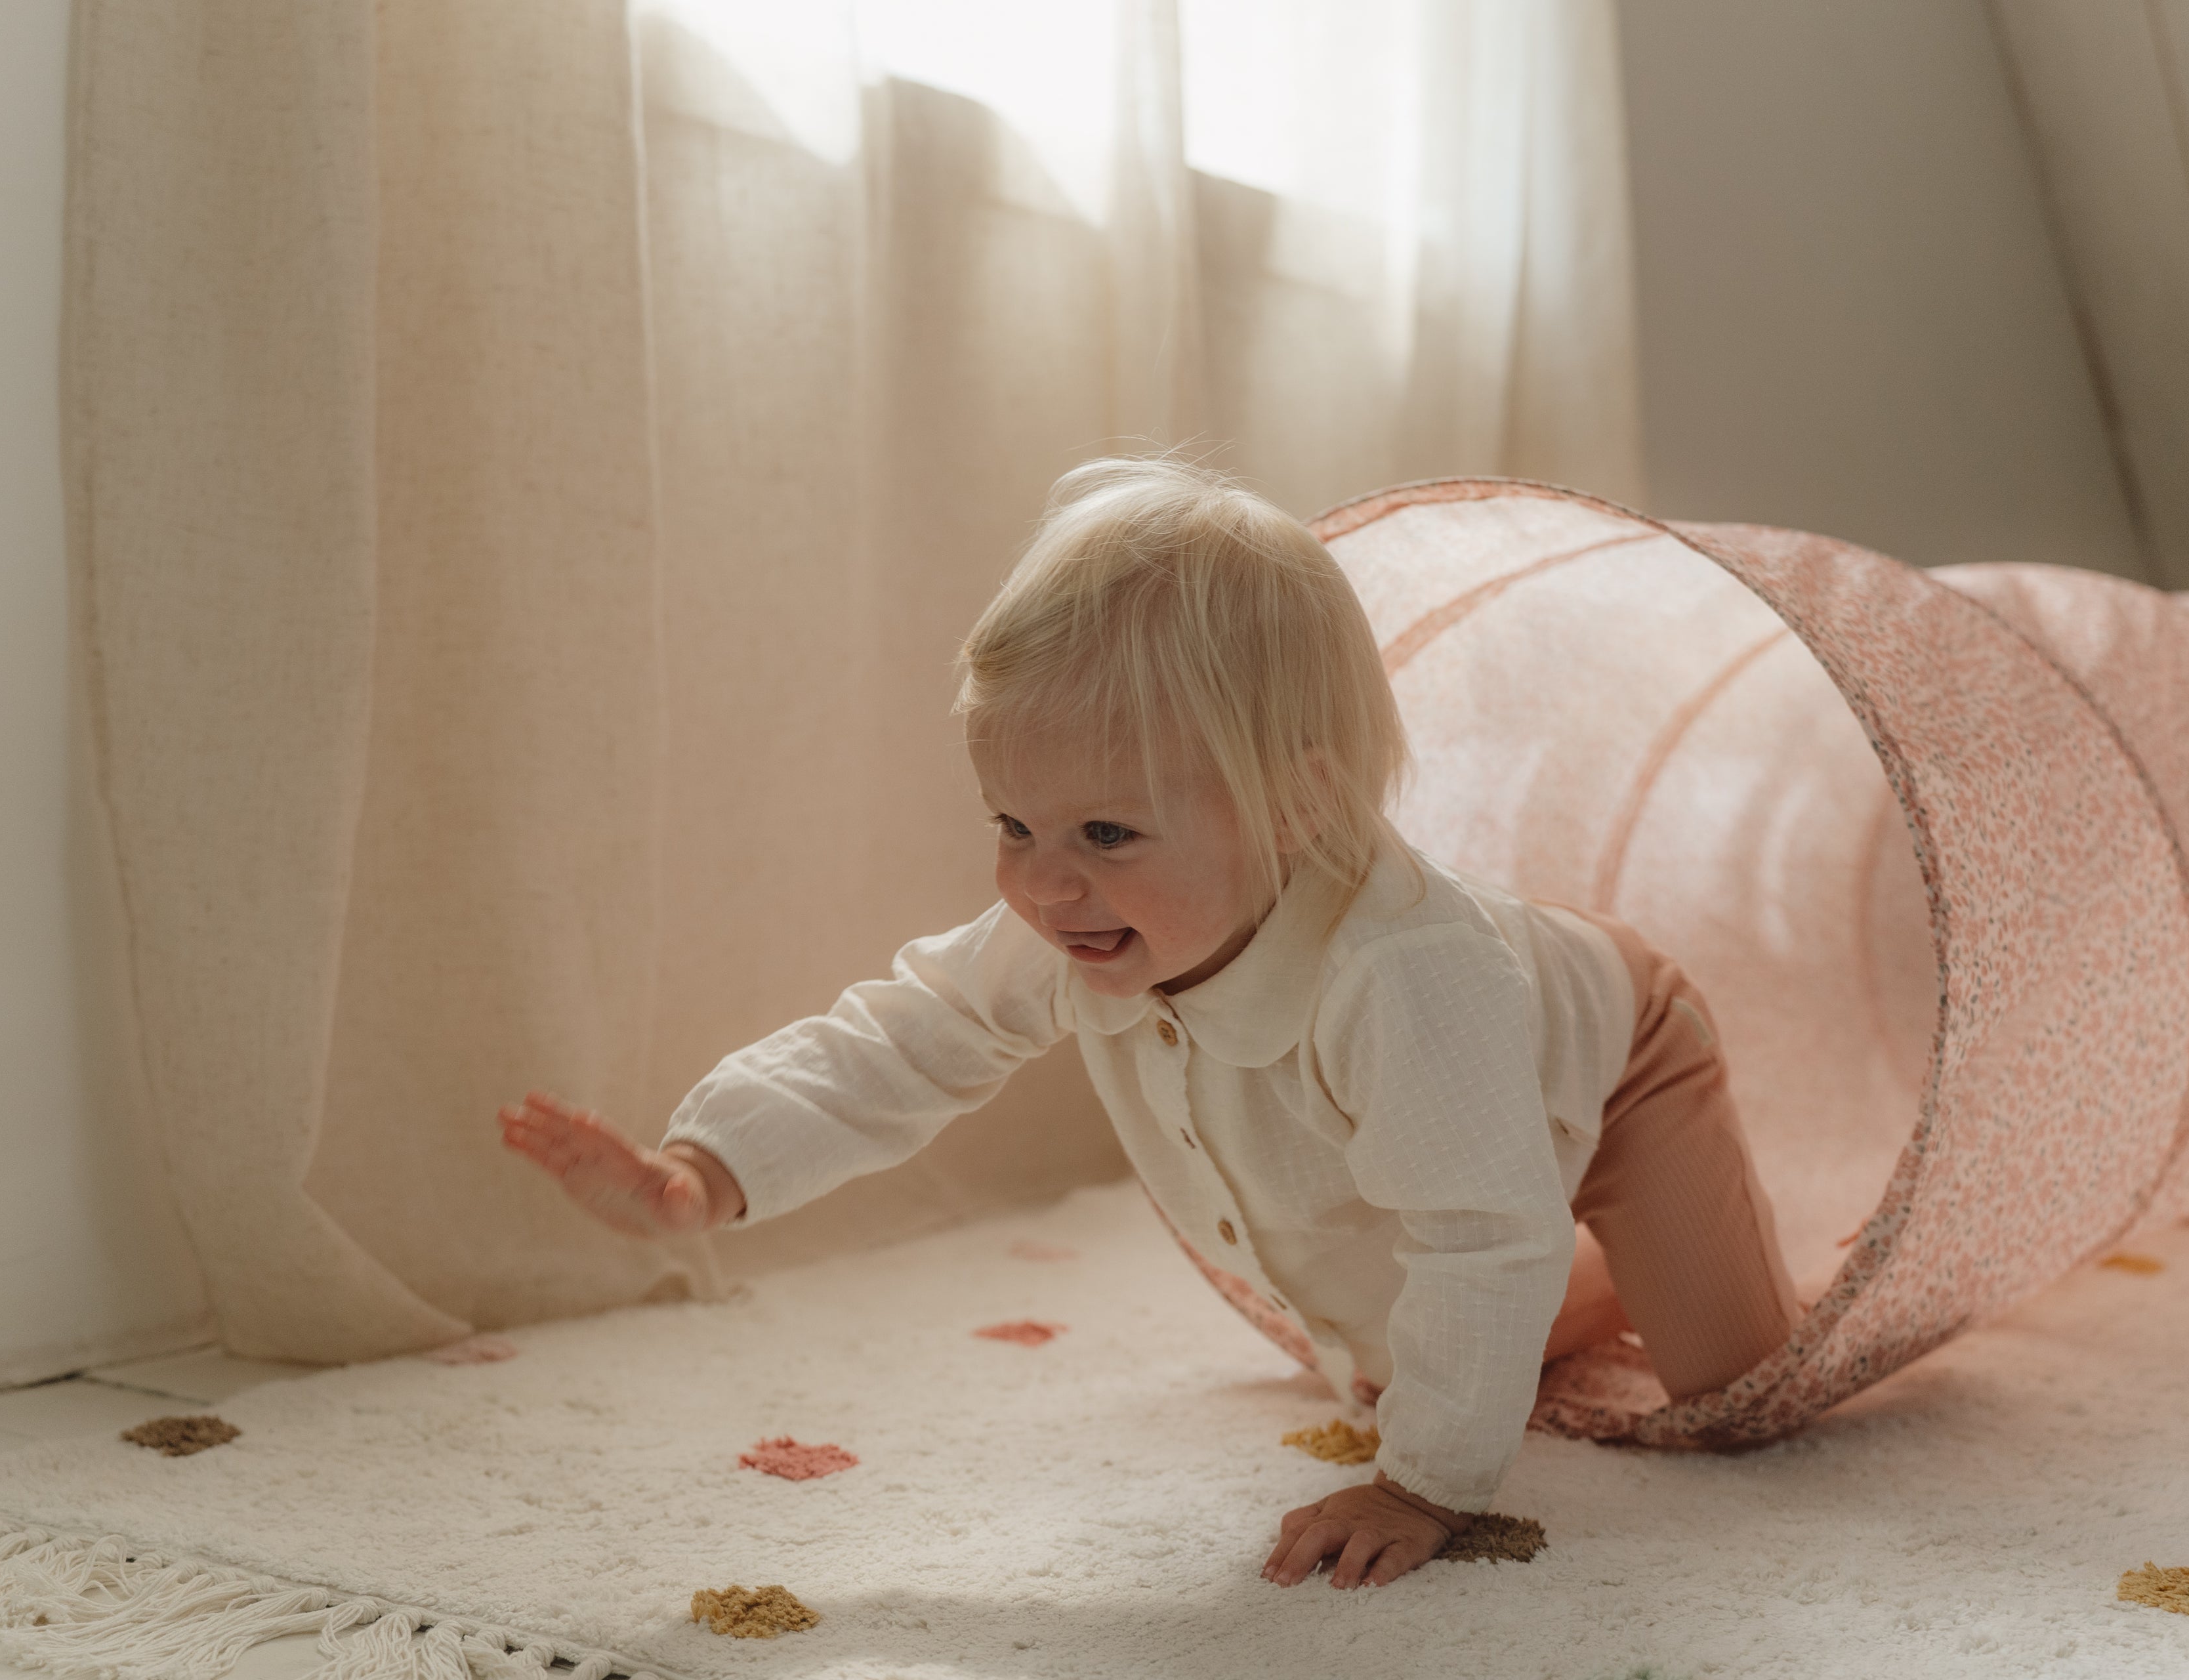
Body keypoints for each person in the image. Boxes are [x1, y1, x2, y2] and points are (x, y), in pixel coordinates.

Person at [499, 457, 1801, 1591]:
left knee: (1739, 1402)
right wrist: (705, 1172)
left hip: (1624, 1060)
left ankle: (1638, 1226)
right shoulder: (1074, 925)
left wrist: (1428, 1485)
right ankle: (1576, 1267)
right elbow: (906, 1035)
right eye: (1015, 824)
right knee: (1433, 1311)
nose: (1042, 882)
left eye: (1106, 832)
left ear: (1296, 809)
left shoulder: (1407, 974)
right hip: (1477, 1112)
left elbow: (1475, 1230)